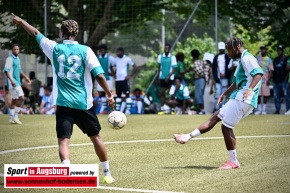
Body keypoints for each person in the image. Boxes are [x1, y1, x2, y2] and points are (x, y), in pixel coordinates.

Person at [12, 14, 115, 183]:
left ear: (61, 33)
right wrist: (109, 95)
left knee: (63, 141)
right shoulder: (86, 50)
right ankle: (107, 173)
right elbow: (100, 76)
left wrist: (22, 21)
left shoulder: (54, 48)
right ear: (76, 33)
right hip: (83, 104)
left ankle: (66, 172)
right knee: (96, 137)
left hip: (63, 104)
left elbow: (36, 33)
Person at [173, 37, 263, 170]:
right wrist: (224, 93)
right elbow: (237, 82)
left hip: (243, 99)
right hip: (238, 97)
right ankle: (187, 136)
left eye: (229, 49)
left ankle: (233, 162)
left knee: (226, 127)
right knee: (216, 116)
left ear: (237, 46)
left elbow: (258, 74)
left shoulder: (247, 58)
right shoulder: (242, 60)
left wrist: (250, 89)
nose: (228, 53)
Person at [4, 43, 31, 124]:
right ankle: (16, 116)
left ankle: (11, 118)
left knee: (14, 99)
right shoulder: (9, 59)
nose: (16, 50)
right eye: (14, 49)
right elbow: (6, 71)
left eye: (17, 49)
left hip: (16, 82)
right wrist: (12, 81)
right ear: (12, 50)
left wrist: (26, 77)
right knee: (21, 97)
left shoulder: (17, 59)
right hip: (13, 82)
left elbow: (19, 70)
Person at [111, 47, 137, 114]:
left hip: (124, 79)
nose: (117, 53)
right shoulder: (115, 60)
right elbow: (111, 66)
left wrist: (130, 76)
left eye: (119, 52)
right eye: (117, 52)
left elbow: (135, 66)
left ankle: (128, 110)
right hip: (118, 80)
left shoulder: (127, 59)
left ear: (122, 52)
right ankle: (117, 110)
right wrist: (114, 74)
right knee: (118, 95)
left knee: (127, 95)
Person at [157, 43, 177, 115]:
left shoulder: (172, 57)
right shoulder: (160, 56)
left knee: (171, 94)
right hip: (162, 77)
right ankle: (162, 109)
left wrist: (168, 76)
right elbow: (159, 67)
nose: (166, 49)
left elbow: (174, 68)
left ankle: (173, 109)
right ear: (164, 49)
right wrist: (159, 77)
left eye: (168, 48)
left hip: (170, 78)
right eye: (165, 48)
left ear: (170, 49)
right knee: (163, 94)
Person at [211, 42, 231, 112]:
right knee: (218, 93)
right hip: (218, 79)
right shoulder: (216, 57)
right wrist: (215, 77)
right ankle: (216, 107)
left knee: (224, 93)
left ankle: (223, 108)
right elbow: (214, 68)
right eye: (221, 49)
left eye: (223, 49)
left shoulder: (227, 56)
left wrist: (225, 74)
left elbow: (229, 67)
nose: (222, 50)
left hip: (225, 78)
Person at [254, 46, 273, 115]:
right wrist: (256, 54)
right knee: (258, 95)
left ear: (266, 50)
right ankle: (259, 110)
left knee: (265, 95)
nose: (262, 50)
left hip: (265, 79)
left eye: (263, 49)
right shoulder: (257, 58)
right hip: (258, 79)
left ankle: (264, 110)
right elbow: (252, 62)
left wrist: (269, 79)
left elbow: (271, 71)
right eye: (261, 49)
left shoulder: (269, 59)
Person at [191, 49, 211, 114]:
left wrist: (201, 74)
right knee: (201, 94)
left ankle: (202, 110)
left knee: (199, 94)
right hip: (204, 79)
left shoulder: (196, 62)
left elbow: (199, 71)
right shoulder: (202, 61)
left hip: (199, 79)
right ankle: (202, 109)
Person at [97, 44, 115, 114]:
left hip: (108, 78)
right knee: (101, 94)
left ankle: (111, 109)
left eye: (103, 50)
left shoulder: (110, 58)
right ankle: (104, 109)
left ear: (105, 51)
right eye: (101, 51)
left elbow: (114, 66)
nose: (102, 52)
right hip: (100, 78)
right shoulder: (97, 58)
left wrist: (113, 73)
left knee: (108, 93)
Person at [272, 45, 289, 114]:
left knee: (286, 96)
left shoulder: (286, 59)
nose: (279, 51)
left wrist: (286, 79)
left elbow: (288, 71)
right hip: (276, 80)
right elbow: (273, 70)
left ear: (283, 50)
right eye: (278, 50)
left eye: (280, 50)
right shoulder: (276, 60)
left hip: (284, 80)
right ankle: (277, 110)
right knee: (276, 96)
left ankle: (288, 110)